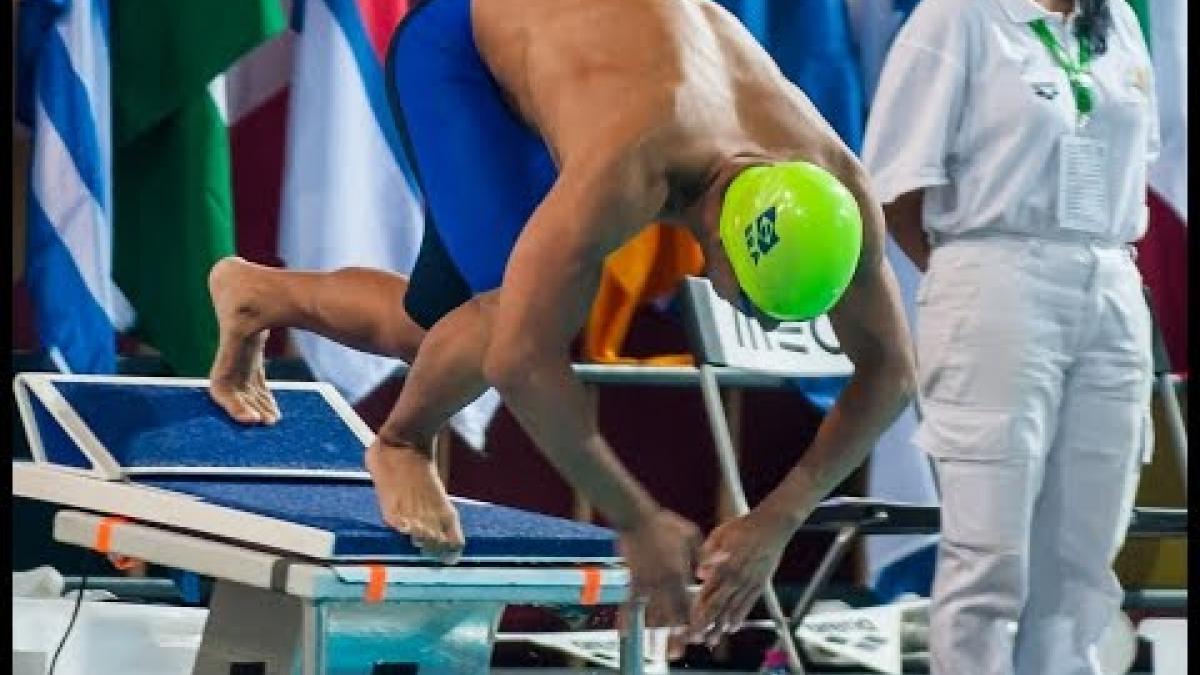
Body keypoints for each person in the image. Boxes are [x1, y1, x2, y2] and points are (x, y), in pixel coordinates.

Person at [206, 0, 915, 643]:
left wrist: (781, 515)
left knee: (438, 331)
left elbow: (892, 372)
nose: (752, 317)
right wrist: (633, 516)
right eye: (751, 298)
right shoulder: (636, 162)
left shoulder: (837, 185)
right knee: (502, 318)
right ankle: (401, 441)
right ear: (723, 236)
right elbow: (520, 359)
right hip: (460, 42)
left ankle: (256, 294)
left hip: (585, 52)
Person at [863, 0, 1159, 672]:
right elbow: (892, 188)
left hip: (1111, 278)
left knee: (1082, 560)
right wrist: (976, 279)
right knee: (989, 556)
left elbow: (1132, 159)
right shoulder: (957, 18)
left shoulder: (1117, 21)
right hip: (995, 272)